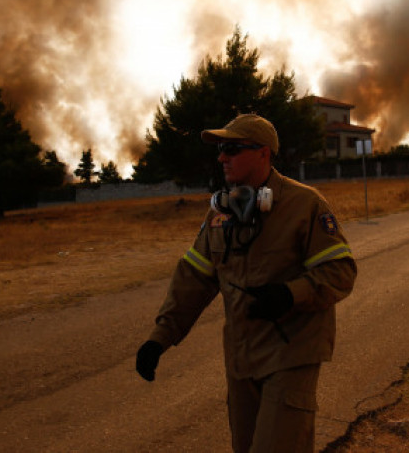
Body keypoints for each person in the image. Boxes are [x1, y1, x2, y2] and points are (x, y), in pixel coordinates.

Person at [135, 113, 357, 452]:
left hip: (290, 356)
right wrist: (159, 339)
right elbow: (193, 278)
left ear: (264, 153)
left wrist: (289, 294)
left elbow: (341, 272)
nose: (222, 157)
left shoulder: (306, 205)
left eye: (233, 149)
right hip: (241, 361)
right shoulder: (220, 214)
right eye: (221, 149)